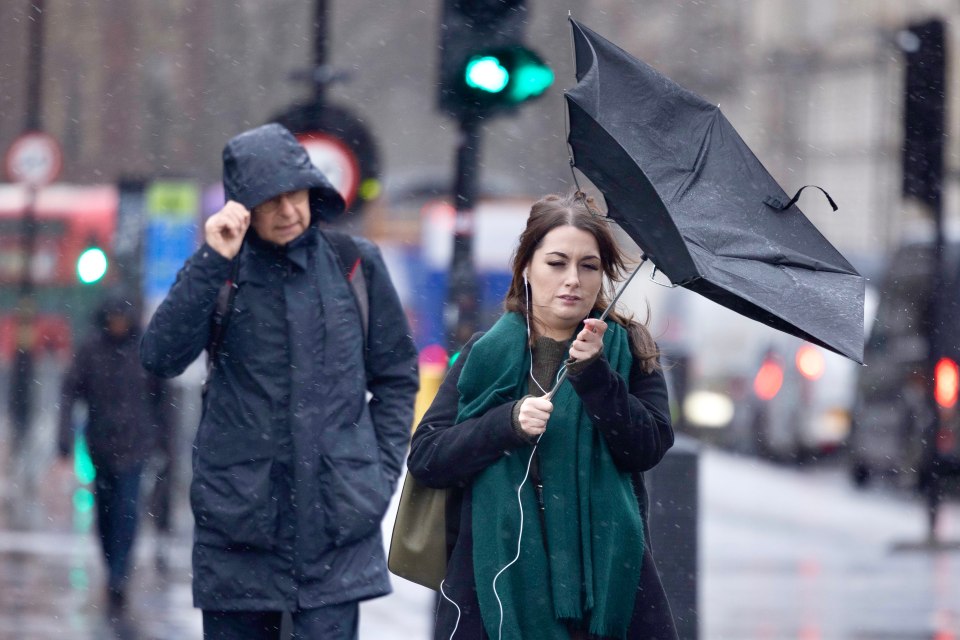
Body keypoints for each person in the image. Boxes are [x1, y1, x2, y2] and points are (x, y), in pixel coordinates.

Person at [140, 123, 419, 640]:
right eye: (272, 201)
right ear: (243, 207)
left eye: (297, 194)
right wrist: (210, 260)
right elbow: (160, 357)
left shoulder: (355, 264)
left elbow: (398, 379)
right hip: (239, 528)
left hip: (337, 527)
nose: (290, 211)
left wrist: (374, 479)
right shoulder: (220, 272)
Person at [407, 191, 678, 639]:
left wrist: (595, 376)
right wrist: (506, 423)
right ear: (527, 268)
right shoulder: (485, 353)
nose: (573, 279)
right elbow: (429, 458)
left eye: (588, 266)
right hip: (496, 582)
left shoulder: (628, 349)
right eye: (557, 263)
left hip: (607, 579)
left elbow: (646, 447)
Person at [57, 293, 171, 613]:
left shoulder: (144, 350)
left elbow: (162, 399)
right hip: (101, 446)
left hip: (136, 446)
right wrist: (64, 440)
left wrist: (165, 442)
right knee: (106, 511)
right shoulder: (91, 351)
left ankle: (119, 572)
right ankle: (112, 565)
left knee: (127, 509)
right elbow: (70, 391)